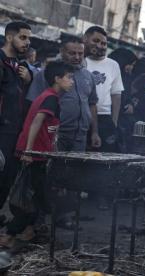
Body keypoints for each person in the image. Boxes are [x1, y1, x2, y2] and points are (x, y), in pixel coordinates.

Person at [0, 61, 75, 248]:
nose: (72, 81)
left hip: (38, 154)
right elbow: (35, 122)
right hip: (32, 156)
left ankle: (26, 232)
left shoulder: (51, 97)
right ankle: (10, 234)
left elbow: (48, 129)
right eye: (69, 77)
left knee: (39, 200)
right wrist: (28, 151)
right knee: (36, 201)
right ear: (57, 79)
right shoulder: (49, 98)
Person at [27, 36, 101, 152]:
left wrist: (95, 133)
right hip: (55, 134)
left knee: (75, 169)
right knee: (54, 168)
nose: (77, 57)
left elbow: (92, 105)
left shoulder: (88, 76)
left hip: (80, 137)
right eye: (72, 53)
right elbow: (33, 104)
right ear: (62, 52)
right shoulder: (47, 73)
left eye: (80, 53)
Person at [0, 21, 33, 210]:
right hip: (3, 128)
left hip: (15, 130)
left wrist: (28, 79)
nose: (27, 42)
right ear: (9, 37)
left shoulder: (20, 65)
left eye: (29, 38)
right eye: (23, 37)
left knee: (8, 177)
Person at [84, 26, 124, 153]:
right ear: (85, 39)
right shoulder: (79, 60)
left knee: (104, 157)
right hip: (82, 116)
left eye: (103, 43)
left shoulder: (113, 65)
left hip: (104, 118)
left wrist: (114, 122)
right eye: (95, 41)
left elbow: (116, 94)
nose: (100, 46)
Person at [108, 48, 138, 153]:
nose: (131, 68)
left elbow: (127, 96)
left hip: (122, 121)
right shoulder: (109, 75)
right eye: (131, 64)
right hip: (109, 119)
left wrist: (130, 104)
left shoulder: (126, 77)